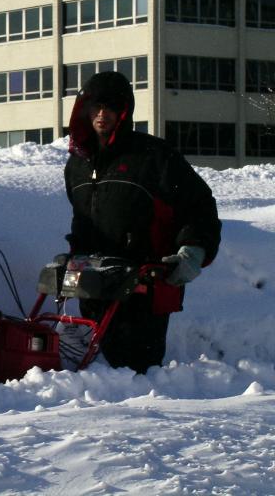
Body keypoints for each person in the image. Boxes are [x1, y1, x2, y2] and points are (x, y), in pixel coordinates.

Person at [64, 71, 221, 373]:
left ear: (123, 112)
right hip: (94, 283)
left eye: (110, 107)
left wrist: (194, 249)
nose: (101, 114)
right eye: (95, 106)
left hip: (144, 284)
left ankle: (143, 419)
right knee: (93, 374)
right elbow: (81, 220)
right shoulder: (77, 166)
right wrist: (72, 256)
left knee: (136, 374)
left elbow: (198, 205)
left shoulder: (152, 157)